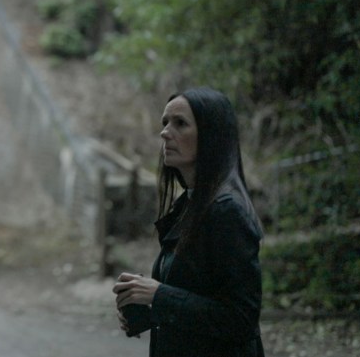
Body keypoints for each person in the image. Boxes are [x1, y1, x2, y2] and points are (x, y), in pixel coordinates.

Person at [112, 87, 265, 356]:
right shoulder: (190, 205)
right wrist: (148, 310)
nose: (164, 132)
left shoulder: (227, 211)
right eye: (165, 123)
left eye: (180, 123)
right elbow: (198, 297)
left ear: (211, 135)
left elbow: (241, 319)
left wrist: (158, 295)